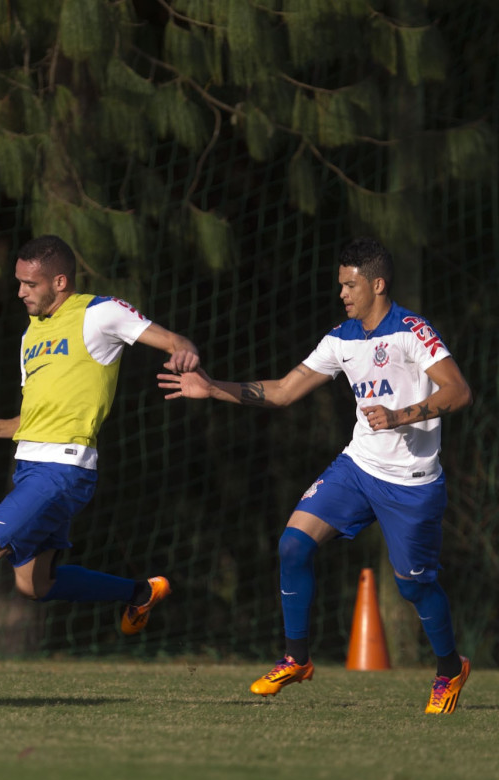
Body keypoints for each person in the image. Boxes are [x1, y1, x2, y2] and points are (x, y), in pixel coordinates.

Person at [0, 234, 200, 697]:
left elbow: (172, 339)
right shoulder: (32, 335)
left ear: (59, 282)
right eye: (19, 283)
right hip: (32, 469)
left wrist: (182, 351)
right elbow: (35, 418)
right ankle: (139, 593)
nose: (20, 292)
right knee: (33, 584)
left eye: (29, 283)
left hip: (63, 471)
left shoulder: (98, 313)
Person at [158, 237, 473, 714]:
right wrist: (212, 387)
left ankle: (450, 668)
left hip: (412, 481)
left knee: (413, 585)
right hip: (358, 466)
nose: (343, 293)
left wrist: (402, 414)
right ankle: (297, 657)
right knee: (293, 544)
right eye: (340, 284)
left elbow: (458, 391)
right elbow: (284, 391)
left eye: (351, 284)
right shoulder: (341, 337)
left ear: (378, 284)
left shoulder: (412, 330)